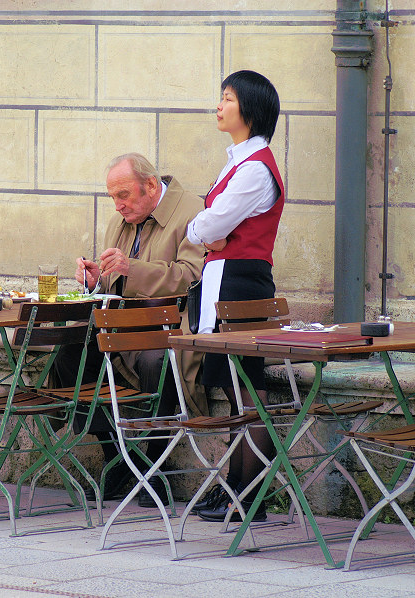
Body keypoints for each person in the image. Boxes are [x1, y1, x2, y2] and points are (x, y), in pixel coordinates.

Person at [50, 152, 204, 506]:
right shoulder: (121, 220)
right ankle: (119, 458)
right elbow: (112, 282)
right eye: (113, 197)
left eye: (124, 195)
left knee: (157, 360)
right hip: (120, 324)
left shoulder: (193, 213)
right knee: (71, 351)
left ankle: (155, 462)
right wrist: (94, 280)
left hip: (169, 325)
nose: (118, 206)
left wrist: (131, 269)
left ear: (151, 186)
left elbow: (190, 277)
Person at [185, 70, 283, 522]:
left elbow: (205, 226)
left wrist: (210, 233)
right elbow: (209, 228)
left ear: (249, 108)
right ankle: (234, 488)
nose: (219, 105)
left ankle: (249, 495)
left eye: (227, 98)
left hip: (237, 282)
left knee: (247, 391)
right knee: (239, 391)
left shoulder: (254, 168)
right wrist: (211, 234)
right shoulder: (240, 162)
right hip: (229, 278)